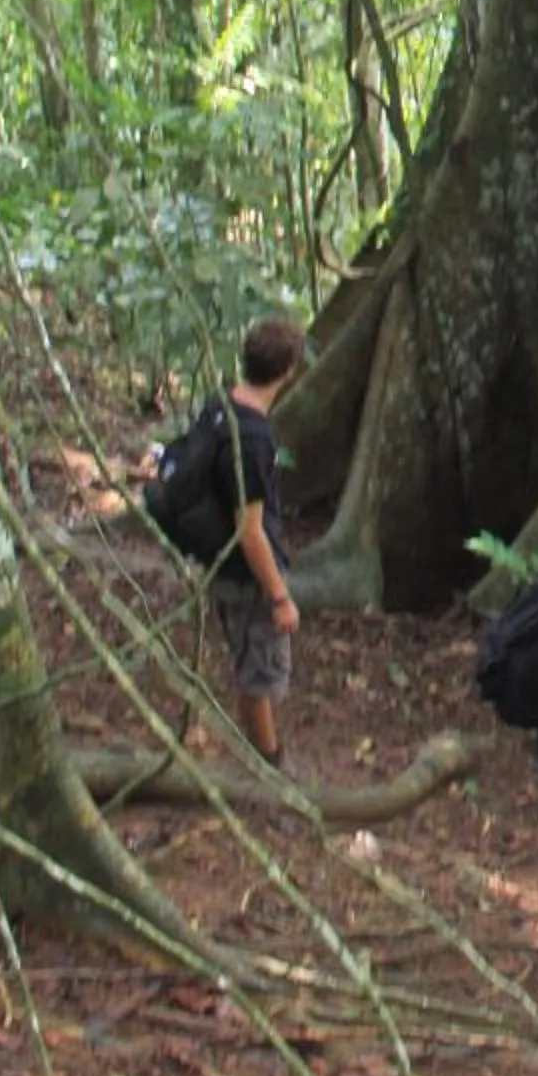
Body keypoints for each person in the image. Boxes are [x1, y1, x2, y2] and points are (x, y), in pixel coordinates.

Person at [198, 316, 308, 766]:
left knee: (248, 659)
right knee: (260, 672)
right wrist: (279, 596)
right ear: (288, 371)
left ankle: (255, 747)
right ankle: (270, 764)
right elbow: (251, 530)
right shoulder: (255, 440)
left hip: (216, 562)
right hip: (246, 575)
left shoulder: (219, 405)